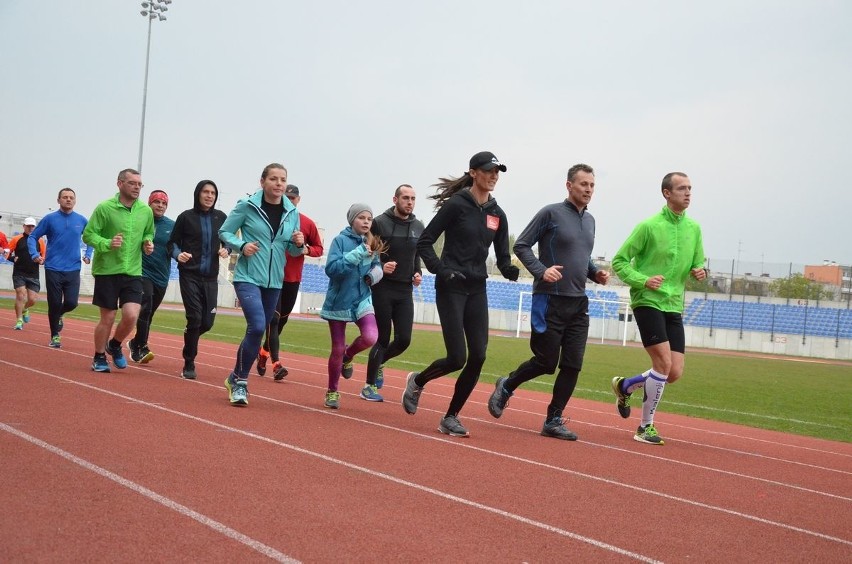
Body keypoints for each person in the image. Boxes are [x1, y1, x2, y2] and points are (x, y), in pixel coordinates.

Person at [487, 164, 610, 440]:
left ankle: (553, 419)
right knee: (546, 362)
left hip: (578, 303)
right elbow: (521, 245)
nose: (588, 189)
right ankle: (507, 385)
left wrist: (595, 273)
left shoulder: (590, 221)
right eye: (583, 184)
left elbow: (582, 257)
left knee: (573, 364)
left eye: (592, 185)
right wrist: (542, 271)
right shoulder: (550, 213)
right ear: (569, 186)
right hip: (549, 300)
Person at [401, 151, 520, 437]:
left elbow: (503, 257)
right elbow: (425, 242)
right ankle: (418, 381)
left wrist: (509, 269)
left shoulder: (497, 214)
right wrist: (441, 270)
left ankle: (451, 416)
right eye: (489, 170)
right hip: (451, 285)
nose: (494, 176)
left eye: (497, 172)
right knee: (457, 357)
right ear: (473, 173)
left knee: (478, 356)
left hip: (477, 288)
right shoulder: (457, 205)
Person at [610, 171, 706, 445]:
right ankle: (644, 427)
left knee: (673, 372)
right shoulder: (648, 226)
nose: (688, 193)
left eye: (690, 188)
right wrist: (644, 280)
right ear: (666, 193)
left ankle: (625, 385)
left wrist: (699, 271)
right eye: (681, 188)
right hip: (647, 300)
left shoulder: (694, 228)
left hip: (673, 304)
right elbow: (619, 262)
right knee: (662, 364)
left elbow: (698, 262)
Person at [219, 163, 301, 406]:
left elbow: (292, 250)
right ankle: (241, 383)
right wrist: (242, 246)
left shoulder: (291, 212)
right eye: (273, 179)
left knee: (260, 328)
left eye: (282, 180)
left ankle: (234, 376)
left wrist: (297, 242)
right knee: (256, 326)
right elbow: (225, 232)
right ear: (262, 181)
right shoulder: (247, 206)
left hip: (274, 280)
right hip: (247, 276)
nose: (278, 184)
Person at [82, 168, 155, 372]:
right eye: (133, 183)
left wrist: (148, 243)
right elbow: (88, 235)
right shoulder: (105, 208)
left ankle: (113, 345)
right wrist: (106, 243)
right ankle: (98, 356)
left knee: (132, 315)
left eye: (140, 184)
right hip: (107, 270)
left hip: (133, 271)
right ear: (120, 184)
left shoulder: (145, 211)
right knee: (108, 317)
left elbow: (149, 232)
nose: (137, 187)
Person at [362, 184, 424, 402]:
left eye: (413, 198)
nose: (409, 202)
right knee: (383, 339)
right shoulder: (380, 222)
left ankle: (380, 363)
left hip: (405, 290)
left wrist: (417, 273)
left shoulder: (418, 226)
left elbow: (416, 255)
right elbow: (369, 253)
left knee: (404, 339)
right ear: (395, 199)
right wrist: (382, 265)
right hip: (383, 288)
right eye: (405, 197)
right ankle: (368, 386)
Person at [256, 184, 324, 381]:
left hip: (292, 280)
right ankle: (276, 364)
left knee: (281, 322)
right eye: (287, 196)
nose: (290, 200)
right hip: (271, 278)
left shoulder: (307, 223)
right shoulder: (271, 218)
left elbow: (319, 248)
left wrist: (305, 249)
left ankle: (263, 353)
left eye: (293, 198)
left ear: (298, 200)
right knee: (274, 320)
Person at [319, 203, 383, 409]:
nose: (366, 222)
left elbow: (377, 266)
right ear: (352, 220)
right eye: (361, 218)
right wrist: (356, 255)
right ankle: (332, 391)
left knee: (371, 337)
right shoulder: (340, 241)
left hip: (362, 299)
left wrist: (372, 277)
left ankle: (349, 355)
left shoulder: (372, 242)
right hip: (339, 301)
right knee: (337, 348)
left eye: (369, 219)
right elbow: (332, 269)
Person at [167, 181, 230, 379]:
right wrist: (178, 255)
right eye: (205, 192)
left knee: (207, 323)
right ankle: (189, 363)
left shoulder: (221, 218)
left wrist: (226, 249)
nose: (209, 196)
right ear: (198, 194)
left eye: (213, 193)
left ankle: (190, 336)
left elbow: (228, 240)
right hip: (189, 274)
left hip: (211, 277)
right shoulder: (185, 217)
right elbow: (172, 244)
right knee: (194, 317)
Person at [28, 188, 93, 347]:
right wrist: (34, 254)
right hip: (53, 268)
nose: (68, 200)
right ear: (59, 200)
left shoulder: (81, 220)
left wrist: (88, 254)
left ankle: (60, 314)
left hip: (73, 268)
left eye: (71, 197)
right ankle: (54, 336)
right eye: (65, 197)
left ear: (75, 201)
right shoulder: (50, 219)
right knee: (54, 303)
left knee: (71, 303)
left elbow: (91, 238)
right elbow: (33, 236)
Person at [128, 190, 175, 364]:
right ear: (149, 203)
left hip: (162, 276)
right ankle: (141, 346)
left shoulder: (172, 225)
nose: (160, 206)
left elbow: (177, 247)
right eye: (157, 202)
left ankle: (135, 342)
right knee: (145, 307)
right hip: (142, 272)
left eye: (164, 203)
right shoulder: (140, 221)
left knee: (150, 313)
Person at [9, 217, 46, 330]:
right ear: (24, 226)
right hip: (19, 272)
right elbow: (7, 252)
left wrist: (41, 260)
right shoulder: (16, 239)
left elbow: (44, 256)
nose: (30, 228)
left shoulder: (39, 240)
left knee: (32, 299)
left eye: (32, 226)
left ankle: (25, 309)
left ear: (35, 227)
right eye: (28, 226)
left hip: (33, 273)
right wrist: (12, 258)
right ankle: (19, 320)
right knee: (20, 294)